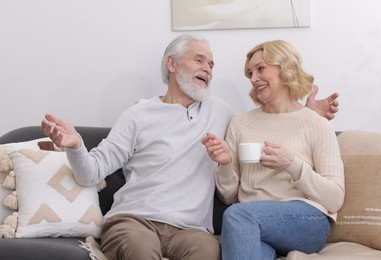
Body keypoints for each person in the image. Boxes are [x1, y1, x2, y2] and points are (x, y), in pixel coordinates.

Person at [41, 35, 339, 260]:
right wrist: (77, 145)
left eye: (211, 64)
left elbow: (276, 118)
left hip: (192, 232)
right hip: (136, 220)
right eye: (199, 60)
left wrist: (306, 112)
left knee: (208, 252)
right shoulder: (139, 114)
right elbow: (91, 173)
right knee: (140, 250)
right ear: (172, 64)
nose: (208, 69)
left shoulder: (222, 114)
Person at [202, 40, 345, 260]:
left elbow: (335, 199)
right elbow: (229, 196)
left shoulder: (316, 124)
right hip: (251, 220)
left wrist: (292, 165)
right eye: (251, 73)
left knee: (238, 216)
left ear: (285, 68)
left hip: (306, 220)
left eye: (261, 69)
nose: (253, 78)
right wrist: (225, 164)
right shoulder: (241, 123)